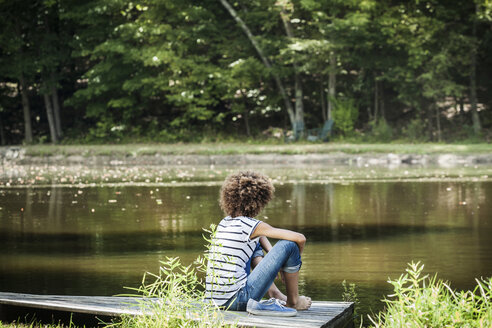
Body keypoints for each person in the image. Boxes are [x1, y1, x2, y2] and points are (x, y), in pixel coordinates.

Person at [205, 171, 312, 315]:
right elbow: (300, 238)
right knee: (290, 245)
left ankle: (275, 294)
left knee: (255, 242)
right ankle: (294, 301)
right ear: (259, 201)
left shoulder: (225, 222)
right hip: (239, 300)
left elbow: (259, 236)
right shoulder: (251, 226)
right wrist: (289, 265)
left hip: (215, 301)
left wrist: (271, 254)